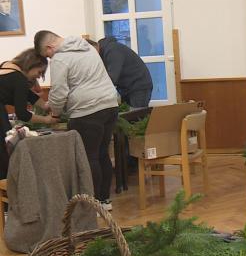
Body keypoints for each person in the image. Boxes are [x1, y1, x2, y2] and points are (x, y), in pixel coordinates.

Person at [34, 31, 119, 210]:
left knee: (90, 157)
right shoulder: (86, 46)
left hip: (87, 111)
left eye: (47, 55)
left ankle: (93, 205)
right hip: (110, 105)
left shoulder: (60, 59)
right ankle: (104, 200)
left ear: (49, 47)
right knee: (103, 153)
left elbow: (59, 92)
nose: (49, 59)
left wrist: (55, 114)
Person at [0, 49, 57, 178]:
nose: (38, 76)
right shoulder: (19, 78)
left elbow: (27, 94)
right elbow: (22, 114)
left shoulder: (7, 66)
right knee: (4, 154)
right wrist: (47, 120)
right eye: (39, 72)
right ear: (31, 65)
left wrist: (45, 106)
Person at [87, 37, 153, 108]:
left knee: (137, 116)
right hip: (128, 88)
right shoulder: (104, 52)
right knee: (129, 116)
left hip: (138, 87)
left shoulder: (112, 50)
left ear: (92, 48)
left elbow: (112, 78)